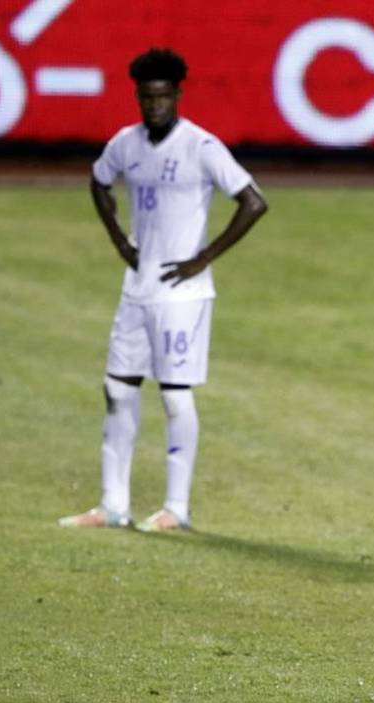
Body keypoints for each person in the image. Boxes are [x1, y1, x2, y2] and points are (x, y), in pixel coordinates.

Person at [59, 48, 268, 531]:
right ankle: (113, 504)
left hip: (183, 295)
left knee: (174, 396)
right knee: (117, 389)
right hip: (137, 288)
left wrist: (202, 258)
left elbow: (253, 202)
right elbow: (98, 181)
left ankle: (176, 508)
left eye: (163, 96)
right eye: (147, 97)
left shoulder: (201, 147)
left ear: (177, 95)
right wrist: (119, 240)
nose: (154, 104)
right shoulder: (126, 145)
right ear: (138, 96)